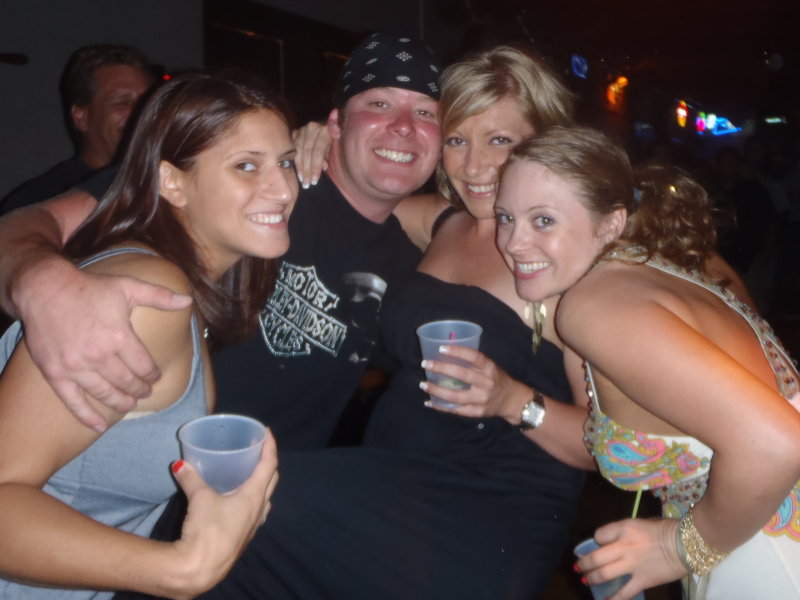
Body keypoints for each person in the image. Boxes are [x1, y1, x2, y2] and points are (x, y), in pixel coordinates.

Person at [198, 45, 588, 600]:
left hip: (482, 510)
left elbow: (611, 445)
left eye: (500, 140)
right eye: (457, 139)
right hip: (391, 477)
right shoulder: (444, 222)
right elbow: (361, 187)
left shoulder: (568, 255)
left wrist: (512, 400)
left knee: (241, 507)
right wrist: (308, 146)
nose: (474, 166)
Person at [0, 32, 439, 450]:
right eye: (379, 104)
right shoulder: (237, 177)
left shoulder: (412, 269)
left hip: (270, 493)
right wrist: (42, 283)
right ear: (336, 123)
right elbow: (30, 223)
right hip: (135, 476)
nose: (403, 126)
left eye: (426, 112)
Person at [0, 70, 287, 598]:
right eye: (246, 166)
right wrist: (184, 568)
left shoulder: (180, 290)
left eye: (285, 162)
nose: (284, 189)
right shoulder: (150, 293)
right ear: (172, 182)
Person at [495, 125, 800, 599]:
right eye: (505, 217)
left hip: (767, 555)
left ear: (611, 223)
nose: (514, 242)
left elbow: (776, 443)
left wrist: (676, 549)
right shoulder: (676, 264)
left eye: (543, 220)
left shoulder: (593, 305)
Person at [1, 44, 153, 214]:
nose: (142, 112)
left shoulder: (164, 186)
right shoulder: (40, 201)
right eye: (122, 102)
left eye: (148, 101)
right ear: (82, 117)